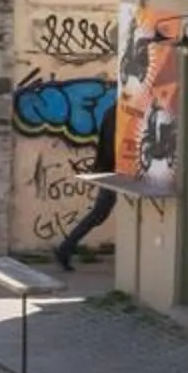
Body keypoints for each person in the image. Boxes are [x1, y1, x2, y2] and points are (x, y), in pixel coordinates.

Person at [56, 99, 118, 268]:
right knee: (99, 213)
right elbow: (113, 145)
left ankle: (65, 248)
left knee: (99, 213)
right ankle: (65, 249)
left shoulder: (112, 111)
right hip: (116, 171)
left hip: (109, 169)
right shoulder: (121, 114)